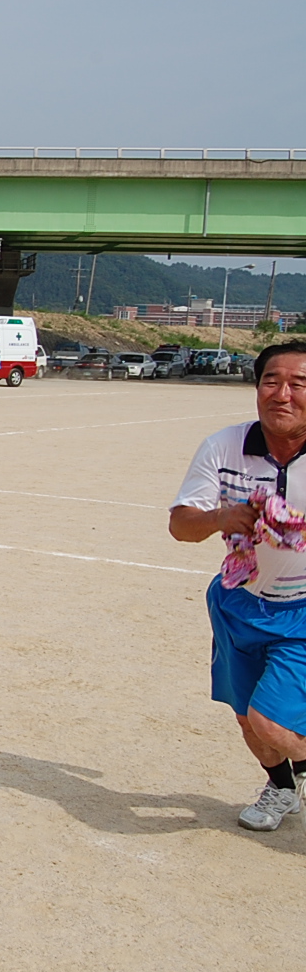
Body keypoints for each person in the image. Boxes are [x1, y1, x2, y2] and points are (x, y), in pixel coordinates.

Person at [170, 342, 306, 832]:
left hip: (302, 608)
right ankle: (283, 787)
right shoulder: (224, 446)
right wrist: (220, 518)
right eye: (271, 381)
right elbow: (180, 526)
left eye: (299, 384)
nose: (282, 394)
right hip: (238, 602)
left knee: (272, 721)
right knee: (247, 717)